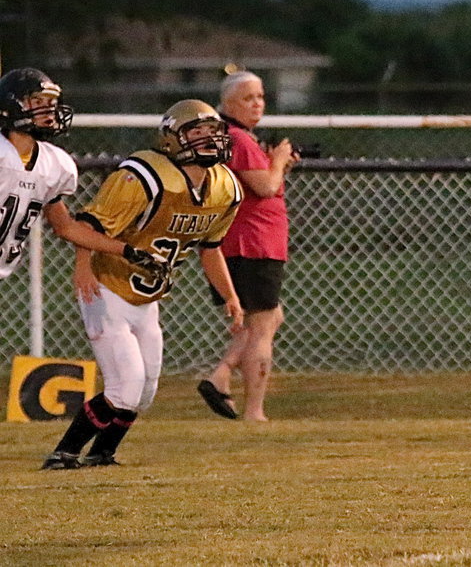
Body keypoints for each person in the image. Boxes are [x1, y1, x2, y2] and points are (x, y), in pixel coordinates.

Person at [42, 99, 244, 470]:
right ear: (172, 139)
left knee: (145, 391)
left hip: (147, 297)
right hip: (108, 285)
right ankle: (63, 453)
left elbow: (210, 248)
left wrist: (229, 295)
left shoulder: (225, 187)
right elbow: (89, 226)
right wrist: (82, 267)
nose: (209, 141)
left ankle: (102, 453)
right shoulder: (144, 175)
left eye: (213, 132)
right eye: (196, 133)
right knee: (126, 386)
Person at [197, 70, 296, 422]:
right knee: (262, 325)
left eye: (261, 97)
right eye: (248, 98)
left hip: (245, 242)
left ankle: (221, 374)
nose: (257, 104)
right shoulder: (236, 138)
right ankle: (254, 410)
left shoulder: (235, 138)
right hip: (252, 242)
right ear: (226, 103)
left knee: (269, 318)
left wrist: (273, 162)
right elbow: (266, 186)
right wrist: (279, 161)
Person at [0, 67, 141, 275]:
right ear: (11, 104)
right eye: (38, 102)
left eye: (50, 103)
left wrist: (126, 250)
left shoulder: (51, 164)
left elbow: (65, 227)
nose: (48, 110)